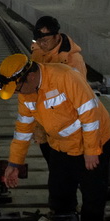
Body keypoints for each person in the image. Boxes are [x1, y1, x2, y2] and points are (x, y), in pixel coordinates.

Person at [0, 54, 110, 221]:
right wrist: (14, 164)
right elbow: (23, 129)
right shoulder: (27, 93)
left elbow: (90, 115)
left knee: (93, 196)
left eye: (17, 88)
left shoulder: (66, 77)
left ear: (30, 76)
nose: (18, 93)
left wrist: (91, 151)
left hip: (93, 139)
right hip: (61, 145)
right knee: (60, 194)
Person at [29, 16, 88, 162]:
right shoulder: (37, 54)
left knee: (63, 169)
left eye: (45, 40)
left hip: (65, 127)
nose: (42, 44)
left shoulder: (74, 61)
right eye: (39, 41)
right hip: (45, 125)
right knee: (52, 164)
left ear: (57, 36)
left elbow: (82, 98)